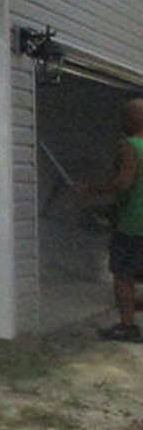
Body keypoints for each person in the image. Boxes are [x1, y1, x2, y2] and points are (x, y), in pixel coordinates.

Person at [75, 98, 143, 341]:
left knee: (123, 276)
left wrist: (92, 189)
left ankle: (128, 328)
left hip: (133, 224)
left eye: (124, 117)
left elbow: (124, 182)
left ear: (132, 120)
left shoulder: (129, 145)